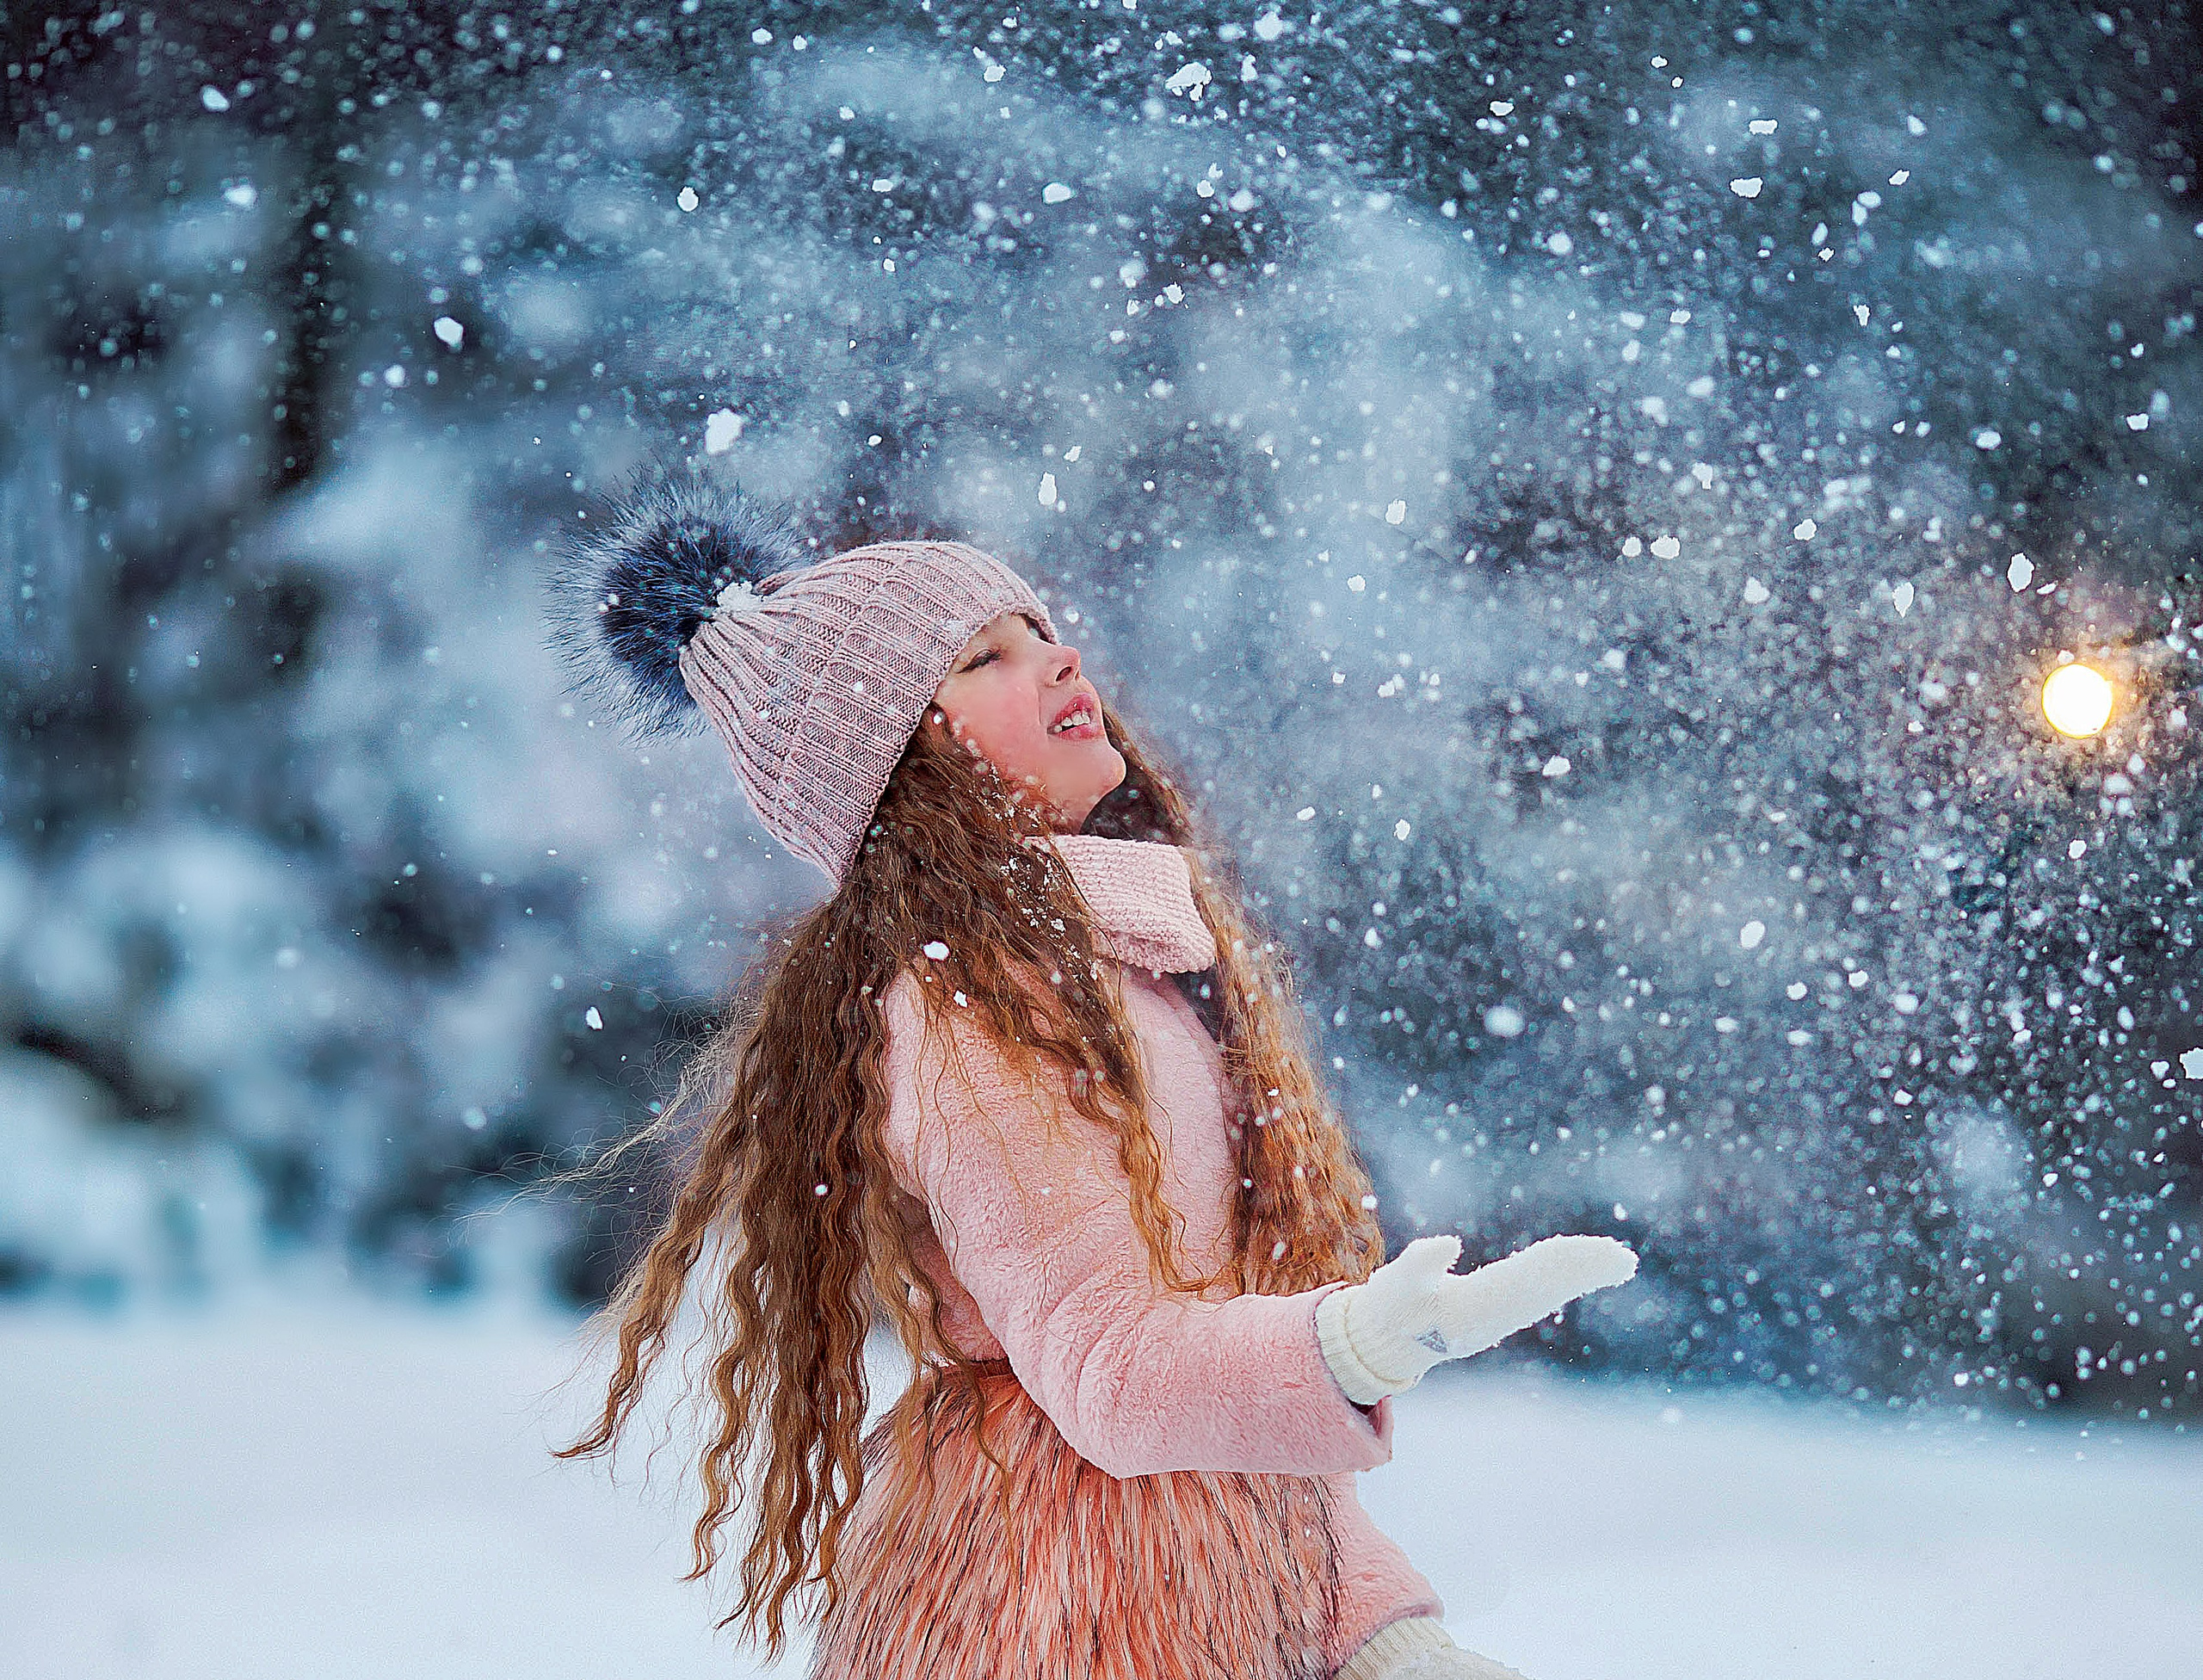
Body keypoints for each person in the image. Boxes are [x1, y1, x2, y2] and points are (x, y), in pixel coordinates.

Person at [548, 470, 1638, 1680]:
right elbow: (1116, 1374)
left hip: (1179, 1600)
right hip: (1055, 1619)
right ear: (901, 770)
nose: (1061, 662)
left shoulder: (1119, 978)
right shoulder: (976, 1016)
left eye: (1042, 631)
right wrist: (1359, 1344)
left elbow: (1215, 1386)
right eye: (985, 660)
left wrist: (1383, 1633)